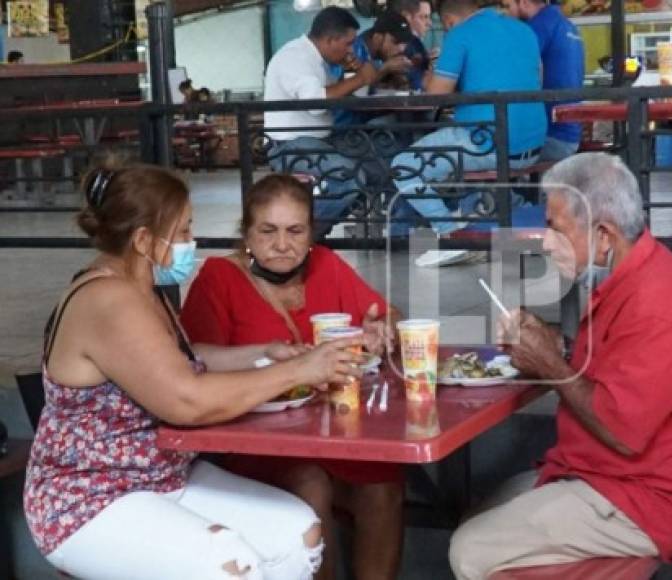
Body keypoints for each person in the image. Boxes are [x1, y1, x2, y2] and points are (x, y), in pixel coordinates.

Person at [24, 164, 366, 579]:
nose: (191, 242)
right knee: (229, 567)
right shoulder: (108, 300)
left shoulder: (142, 289)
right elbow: (188, 399)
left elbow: (185, 357)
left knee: (300, 534)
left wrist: (267, 353)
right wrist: (299, 369)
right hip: (91, 497)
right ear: (144, 240)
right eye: (183, 231)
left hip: (163, 474)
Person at [448, 152, 672, 578]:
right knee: (478, 515)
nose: (544, 241)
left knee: (470, 549)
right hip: (596, 474)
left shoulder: (658, 301)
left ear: (603, 235)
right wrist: (554, 346)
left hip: (643, 498)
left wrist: (551, 364)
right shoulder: (628, 278)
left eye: (555, 228)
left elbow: (623, 431)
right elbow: (612, 369)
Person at [180, 174, 404, 580]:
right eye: (268, 231)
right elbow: (196, 358)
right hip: (253, 435)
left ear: (310, 233)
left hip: (329, 431)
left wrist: (381, 329)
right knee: (309, 482)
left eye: (295, 231)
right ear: (246, 231)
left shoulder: (326, 265)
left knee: (382, 486)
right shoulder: (219, 279)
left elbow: (387, 315)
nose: (282, 244)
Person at [390, 0, 547, 267]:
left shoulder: (460, 34)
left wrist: (428, 78)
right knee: (456, 160)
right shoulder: (523, 30)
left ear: (448, 21)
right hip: (533, 143)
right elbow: (538, 79)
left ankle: (451, 233)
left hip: (489, 142)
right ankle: (507, 217)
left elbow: (435, 96)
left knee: (403, 166)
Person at [263, 7, 400, 228]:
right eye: (348, 43)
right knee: (350, 179)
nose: (351, 49)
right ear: (330, 40)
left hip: (322, 140)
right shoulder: (295, 58)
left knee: (386, 165)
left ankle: (397, 230)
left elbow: (348, 94)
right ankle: (302, 234)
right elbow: (315, 104)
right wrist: (360, 79)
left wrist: (354, 74)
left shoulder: (320, 60)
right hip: (289, 145)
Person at [500, 0, 585, 162]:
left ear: (523, 3)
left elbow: (512, 71)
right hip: (569, 133)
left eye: (507, 6)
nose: (505, 13)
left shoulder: (536, 27)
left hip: (548, 136)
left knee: (480, 155)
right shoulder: (567, 25)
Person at [351, 10, 414, 91]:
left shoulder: (383, 54)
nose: (401, 49)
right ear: (377, 38)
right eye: (395, 42)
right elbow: (356, 91)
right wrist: (385, 69)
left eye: (404, 43)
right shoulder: (355, 51)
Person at [390, 0, 436, 92]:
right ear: (406, 17)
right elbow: (416, 85)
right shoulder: (405, 45)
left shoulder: (416, 44)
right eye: (424, 17)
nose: (429, 23)